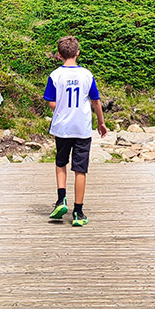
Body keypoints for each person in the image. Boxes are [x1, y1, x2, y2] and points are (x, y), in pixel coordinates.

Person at [42, 35, 107, 226]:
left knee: (61, 162)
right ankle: (78, 212)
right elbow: (96, 101)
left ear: (59, 55)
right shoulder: (87, 75)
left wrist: (61, 108)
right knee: (80, 169)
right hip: (82, 128)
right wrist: (101, 123)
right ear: (77, 53)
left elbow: (52, 102)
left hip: (62, 128)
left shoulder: (55, 76)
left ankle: (61, 199)